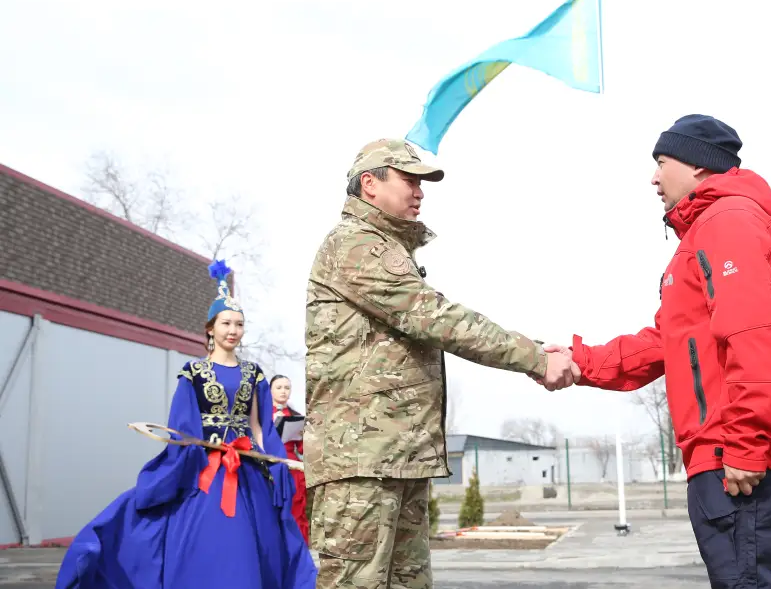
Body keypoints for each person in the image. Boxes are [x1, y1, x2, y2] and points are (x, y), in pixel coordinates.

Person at [544, 115, 771, 589]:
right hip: (729, 451)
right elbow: (666, 342)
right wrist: (581, 361)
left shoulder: (728, 221)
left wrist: (744, 442)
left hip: (740, 459)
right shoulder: (707, 231)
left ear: (698, 165)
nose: (653, 178)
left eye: (660, 163)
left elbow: (753, 336)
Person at [303, 138, 579, 589]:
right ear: (369, 184)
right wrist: (533, 356)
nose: (420, 192)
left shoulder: (387, 249)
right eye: (409, 180)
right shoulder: (354, 245)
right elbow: (437, 318)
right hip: (362, 462)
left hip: (398, 456)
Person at [55, 260, 317, 589]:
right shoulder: (192, 372)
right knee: (206, 542)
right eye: (226, 323)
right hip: (206, 469)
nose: (233, 330)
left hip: (248, 469)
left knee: (261, 544)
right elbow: (182, 429)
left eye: (239, 324)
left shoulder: (254, 374)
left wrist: (276, 462)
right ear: (210, 328)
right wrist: (185, 462)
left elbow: (259, 426)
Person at [270, 374, 309, 541]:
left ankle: (298, 547)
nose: (283, 391)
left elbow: (302, 448)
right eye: (279, 387)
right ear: (270, 390)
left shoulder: (296, 415)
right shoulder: (261, 416)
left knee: (296, 509)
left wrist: (302, 436)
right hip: (269, 464)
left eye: (287, 388)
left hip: (292, 466)